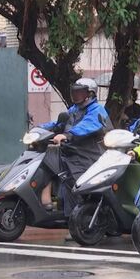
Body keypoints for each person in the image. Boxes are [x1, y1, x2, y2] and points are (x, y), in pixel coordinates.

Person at [40, 78, 110, 215]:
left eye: (80, 93)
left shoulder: (97, 110)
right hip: (73, 154)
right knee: (47, 162)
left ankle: (80, 219)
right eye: (75, 93)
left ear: (90, 94)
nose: (76, 96)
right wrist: (40, 129)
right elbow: (59, 123)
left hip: (89, 156)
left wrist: (68, 135)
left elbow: (87, 125)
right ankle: (58, 209)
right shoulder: (74, 110)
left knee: (76, 186)